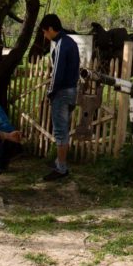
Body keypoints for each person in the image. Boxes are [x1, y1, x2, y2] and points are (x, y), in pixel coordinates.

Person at [40, 13, 80, 181]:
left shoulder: (62, 44)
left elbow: (56, 74)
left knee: (60, 131)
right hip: (71, 90)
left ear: (50, 29)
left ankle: (61, 168)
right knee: (63, 129)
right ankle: (59, 161)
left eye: (44, 31)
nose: (44, 35)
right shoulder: (70, 42)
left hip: (62, 92)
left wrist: (51, 92)